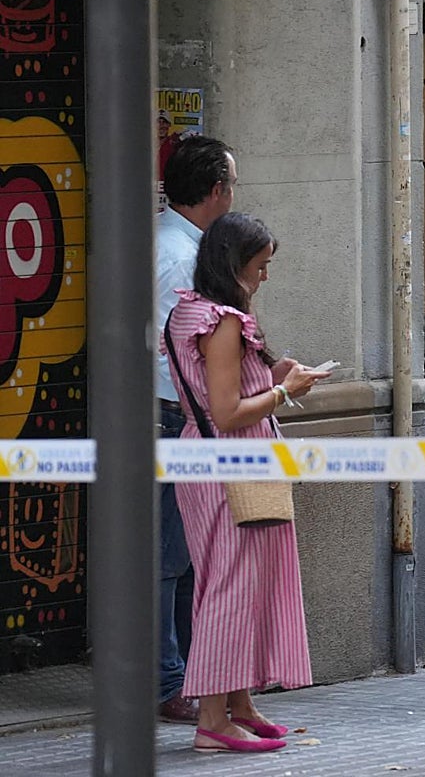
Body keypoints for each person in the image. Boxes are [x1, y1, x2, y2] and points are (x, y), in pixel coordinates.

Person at [163, 212, 331, 753]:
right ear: (234, 264)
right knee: (230, 590)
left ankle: (240, 706)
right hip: (231, 462)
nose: (264, 277)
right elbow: (228, 412)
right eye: (260, 266)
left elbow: (214, 391)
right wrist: (284, 392)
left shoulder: (189, 311)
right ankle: (213, 722)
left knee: (229, 583)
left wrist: (272, 376)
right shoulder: (224, 322)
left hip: (208, 459)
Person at [154, 135, 238, 724]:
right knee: (167, 557)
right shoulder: (179, 259)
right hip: (170, 414)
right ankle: (167, 681)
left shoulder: (174, 246)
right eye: (232, 185)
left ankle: (187, 674)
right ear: (215, 191)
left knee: (184, 554)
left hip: (176, 413)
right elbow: (175, 351)